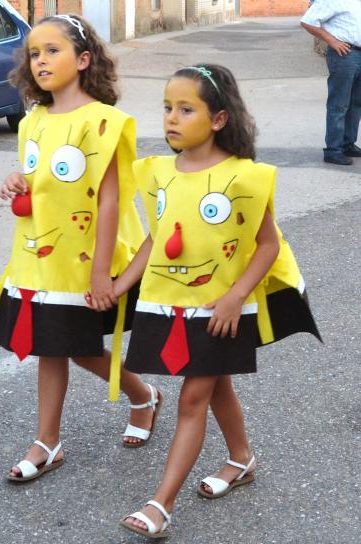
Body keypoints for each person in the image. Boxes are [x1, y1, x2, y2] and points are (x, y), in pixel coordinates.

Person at [113, 65, 321, 539]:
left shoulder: (243, 177)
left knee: (193, 398)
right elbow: (156, 238)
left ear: (219, 118)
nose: (172, 118)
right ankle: (242, 458)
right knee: (215, 384)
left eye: (186, 109)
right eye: (168, 107)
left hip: (220, 309)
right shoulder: (160, 173)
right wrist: (121, 284)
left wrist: (235, 296)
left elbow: (267, 245)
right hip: (170, 304)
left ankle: (160, 505)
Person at [0, 14, 162, 481]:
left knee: (81, 350)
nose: (40, 61)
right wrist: (19, 179)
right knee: (50, 347)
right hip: (39, 256)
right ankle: (48, 441)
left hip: (86, 258)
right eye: (34, 54)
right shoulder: (33, 120)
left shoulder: (104, 122)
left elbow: (109, 201)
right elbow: (38, 177)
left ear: (83, 60)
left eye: (52, 51)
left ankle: (142, 396)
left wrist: (101, 272)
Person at [301, 0, 361, 166]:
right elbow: (307, 21)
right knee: (339, 104)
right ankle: (333, 150)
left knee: (356, 103)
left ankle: (347, 144)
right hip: (345, 54)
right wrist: (332, 41)